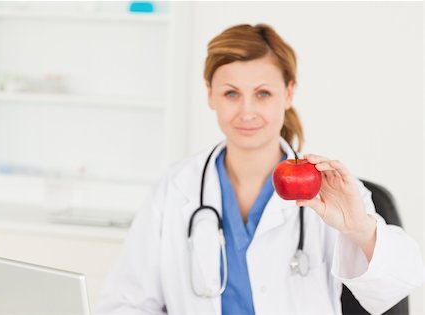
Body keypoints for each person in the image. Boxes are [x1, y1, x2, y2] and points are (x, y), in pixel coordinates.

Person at [95, 23, 424, 315]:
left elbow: (396, 287)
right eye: (231, 93)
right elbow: (126, 302)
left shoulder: (328, 188)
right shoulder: (177, 186)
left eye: (263, 93)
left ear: (288, 93)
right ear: (210, 95)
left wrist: (359, 228)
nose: (247, 111)